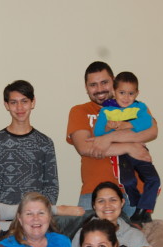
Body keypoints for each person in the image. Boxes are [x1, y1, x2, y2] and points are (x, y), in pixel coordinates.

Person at [66, 61, 157, 212]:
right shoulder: (79, 111)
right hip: (93, 193)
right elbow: (84, 147)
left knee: (135, 235)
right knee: (90, 235)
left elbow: (152, 131)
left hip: (133, 193)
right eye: (93, 85)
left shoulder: (135, 106)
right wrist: (129, 147)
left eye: (104, 82)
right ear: (86, 88)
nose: (99, 89)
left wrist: (106, 139)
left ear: (114, 82)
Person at [93, 72, 161, 224]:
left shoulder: (140, 107)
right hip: (121, 154)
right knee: (128, 181)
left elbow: (147, 124)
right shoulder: (107, 110)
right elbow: (98, 133)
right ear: (114, 92)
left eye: (131, 93)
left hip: (140, 152)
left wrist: (126, 125)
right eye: (122, 93)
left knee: (154, 179)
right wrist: (108, 127)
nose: (126, 97)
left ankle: (144, 209)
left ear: (137, 93)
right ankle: (138, 207)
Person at [0, 80, 59, 205]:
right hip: (3, 219)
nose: (19, 108)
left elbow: (51, 188)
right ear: (6, 105)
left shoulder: (45, 143)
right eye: (14, 102)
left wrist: (39, 213)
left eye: (24, 101)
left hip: (36, 218)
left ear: (33, 103)